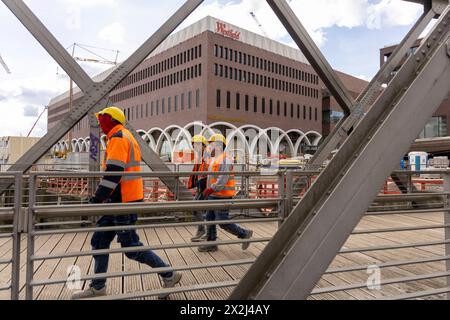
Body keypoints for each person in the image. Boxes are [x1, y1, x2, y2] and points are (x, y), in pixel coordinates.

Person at [72, 106, 182, 299]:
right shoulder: (124, 136)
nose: (100, 123)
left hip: (123, 201)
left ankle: (169, 274)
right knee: (99, 240)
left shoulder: (118, 138)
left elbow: (114, 172)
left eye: (102, 119)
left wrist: (97, 198)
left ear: (111, 119)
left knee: (131, 246)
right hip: (118, 200)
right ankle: (98, 286)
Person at [198, 134, 253, 253]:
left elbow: (223, 178)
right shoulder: (215, 159)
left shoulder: (225, 159)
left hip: (222, 195)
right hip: (214, 195)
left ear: (218, 145)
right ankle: (211, 243)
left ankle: (244, 234)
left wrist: (211, 189)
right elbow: (212, 177)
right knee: (210, 219)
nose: (209, 147)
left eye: (211, 144)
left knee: (222, 221)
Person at [188, 135, 210, 242]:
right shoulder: (200, 156)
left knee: (198, 208)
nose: (195, 148)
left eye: (196, 145)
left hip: (205, 188)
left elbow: (205, 175)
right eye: (193, 146)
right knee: (203, 210)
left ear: (202, 145)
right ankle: (206, 231)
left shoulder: (206, 156)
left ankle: (204, 231)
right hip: (201, 188)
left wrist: (201, 189)